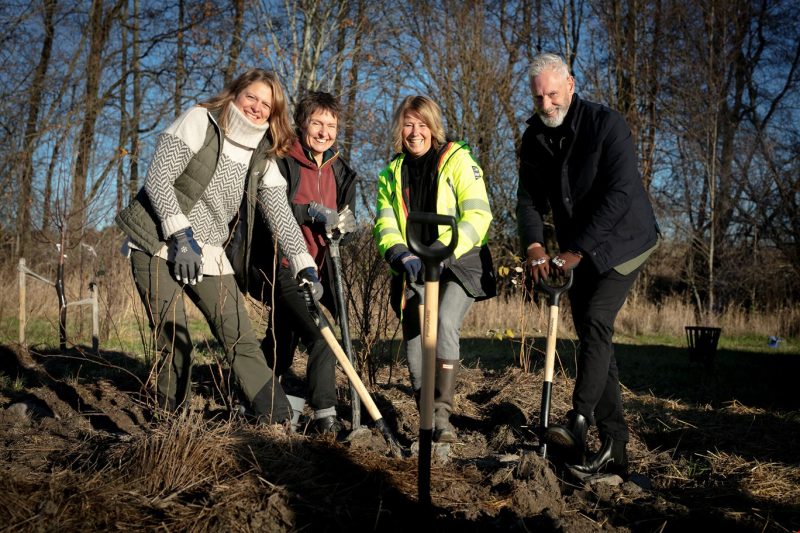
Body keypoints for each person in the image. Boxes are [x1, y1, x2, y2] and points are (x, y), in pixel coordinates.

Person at [116, 69, 321, 424]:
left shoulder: (263, 155)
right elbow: (158, 178)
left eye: (266, 104)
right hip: (157, 242)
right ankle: (170, 426)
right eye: (251, 97)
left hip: (208, 250)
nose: (257, 107)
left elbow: (281, 215)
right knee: (174, 337)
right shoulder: (201, 121)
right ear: (235, 94)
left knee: (240, 338)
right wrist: (180, 236)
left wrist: (304, 263)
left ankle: (280, 422)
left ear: (274, 114)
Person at [516, 53, 659, 475]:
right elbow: (528, 201)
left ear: (572, 86)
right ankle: (615, 446)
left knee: (596, 318)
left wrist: (575, 251)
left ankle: (578, 422)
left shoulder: (606, 125)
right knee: (595, 341)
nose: (546, 105)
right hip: (575, 250)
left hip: (626, 241)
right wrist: (536, 248)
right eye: (539, 97)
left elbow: (619, 195)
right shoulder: (535, 138)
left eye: (553, 94)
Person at [373, 95, 496, 443]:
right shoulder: (392, 173)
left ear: (433, 127)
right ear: (400, 128)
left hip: (460, 260)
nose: (415, 132)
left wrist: (446, 252)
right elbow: (385, 224)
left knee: (442, 320)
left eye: (422, 124)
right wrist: (401, 255)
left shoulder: (457, 160)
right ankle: (424, 412)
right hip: (414, 263)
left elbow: (478, 213)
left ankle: (442, 418)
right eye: (408, 124)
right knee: (415, 338)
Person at [240, 91, 358, 435]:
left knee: (283, 334)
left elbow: (344, 225)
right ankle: (325, 415)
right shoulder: (281, 159)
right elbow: (266, 206)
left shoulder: (342, 171)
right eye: (317, 123)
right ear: (302, 123)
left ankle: (255, 396)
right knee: (323, 336)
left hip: (320, 269)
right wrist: (309, 212)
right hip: (283, 263)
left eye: (331, 125)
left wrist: (345, 227)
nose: (324, 132)